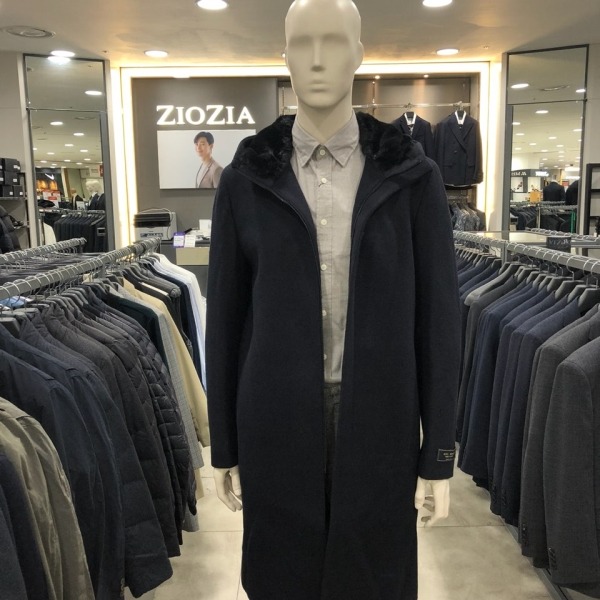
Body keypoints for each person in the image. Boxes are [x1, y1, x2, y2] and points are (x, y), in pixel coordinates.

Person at [206, 1, 460, 598]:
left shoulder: (411, 175)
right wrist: (225, 443)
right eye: (303, 43)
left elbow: (438, 322)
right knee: (282, 574)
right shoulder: (246, 178)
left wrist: (438, 452)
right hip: (275, 415)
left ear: (359, 55)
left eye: (335, 41)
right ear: (285, 57)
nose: (318, 59)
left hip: (380, 415)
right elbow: (225, 321)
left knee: (371, 574)